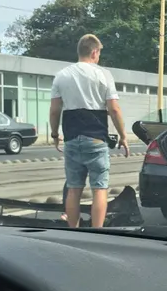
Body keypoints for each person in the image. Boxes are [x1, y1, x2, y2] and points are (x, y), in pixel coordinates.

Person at [49, 34, 129, 228]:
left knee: (73, 189)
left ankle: (73, 230)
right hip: (96, 139)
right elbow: (114, 109)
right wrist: (123, 136)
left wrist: (55, 134)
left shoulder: (62, 75)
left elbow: (54, 110)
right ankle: (97, 232)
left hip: (71, 138)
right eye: (99, 53)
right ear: (94, 52)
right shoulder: (103, 74)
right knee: (99, 189)